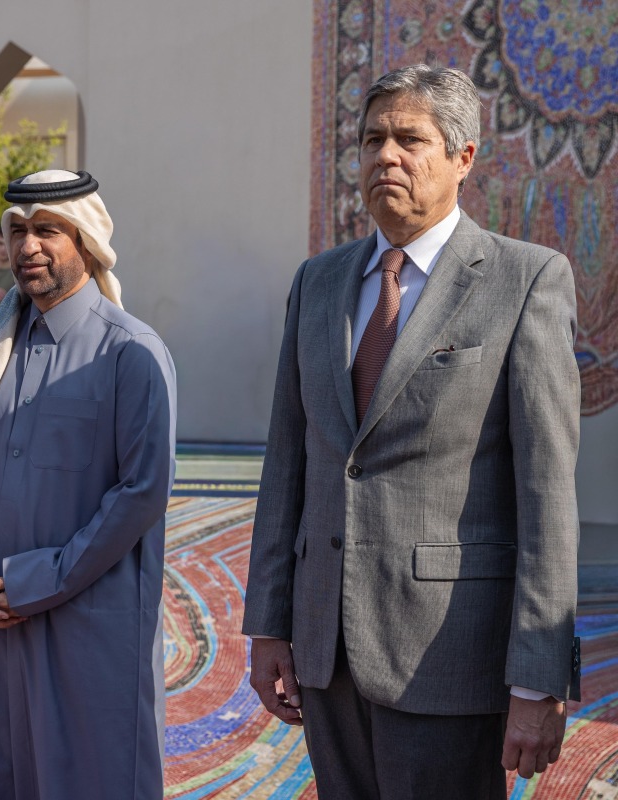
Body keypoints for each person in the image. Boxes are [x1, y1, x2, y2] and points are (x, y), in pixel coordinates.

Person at [242, 64, 581, 798]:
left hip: (449, 656)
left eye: (409, 139)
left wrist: (539, 676)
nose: (385, 156)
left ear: (463, 158)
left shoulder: (524, 280)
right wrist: (268, 624)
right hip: (326, 651)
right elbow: (288, 464)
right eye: (372, 139)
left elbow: (547, 498)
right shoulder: (318, 283)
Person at [0, 169, 177, 800]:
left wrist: (36, 581)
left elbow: (141, 492)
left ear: (87, 243)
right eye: (18, 231)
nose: (28, 246)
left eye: (48, 230)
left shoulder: (130, 352)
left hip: (89, 624)